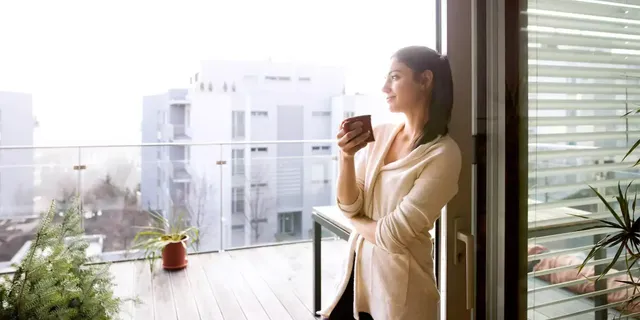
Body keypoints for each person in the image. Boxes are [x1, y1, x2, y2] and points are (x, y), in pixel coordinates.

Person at [317, 46, 462, 320]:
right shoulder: (381, 135)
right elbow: (349, 205)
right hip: (356, 278)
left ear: (425, 80)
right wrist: (346, 157)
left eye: (394, 77)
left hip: (401, 294)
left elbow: (392, 236)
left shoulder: (444, 154)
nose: (385, 87)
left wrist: (356, 222)